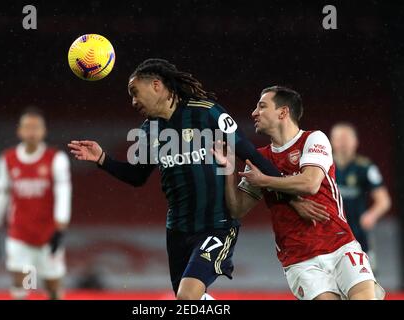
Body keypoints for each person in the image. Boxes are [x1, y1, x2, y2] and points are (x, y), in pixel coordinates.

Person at [68, 59, 326, 300]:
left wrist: (293, 198)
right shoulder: (150, 130)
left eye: (135, 92)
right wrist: (102, 159)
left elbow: (249, 154)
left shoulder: (207, 113)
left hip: (216, 225)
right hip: (177, 230)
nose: (133, 101)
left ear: (156, 85)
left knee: (186, 296)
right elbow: (136, 177)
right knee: (188, 302)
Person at [213, 85, 385, 300]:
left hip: (340, 244)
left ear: (283, 112)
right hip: (299, 258)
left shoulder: (314, 139)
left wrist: (265, 180)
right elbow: (237, 209)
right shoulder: (259, 159)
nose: (254, 113)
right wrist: (227, 169)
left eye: (262, 106)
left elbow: (310, 183)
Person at [0, 108, 72, 300]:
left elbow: (63, 194)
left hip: (47, 235)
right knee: (23, 283)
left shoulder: (56, 159)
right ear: (19, 131)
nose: (32, 132)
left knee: (52, 286)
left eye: (36, 128)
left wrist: (60, 227)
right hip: (20, 234)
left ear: (44, 131)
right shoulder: (8, 159)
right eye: (27, 127)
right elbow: (2, 194)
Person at [330, 122, 391, 270]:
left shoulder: (365, 168)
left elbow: (384, 200)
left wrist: (371, 215)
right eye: (339, 139)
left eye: (347, 139)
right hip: (330, 235)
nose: (343, 144)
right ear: (331, 141)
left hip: (358, 234)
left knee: (366, 283)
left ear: (356, 142)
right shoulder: (323, 166)